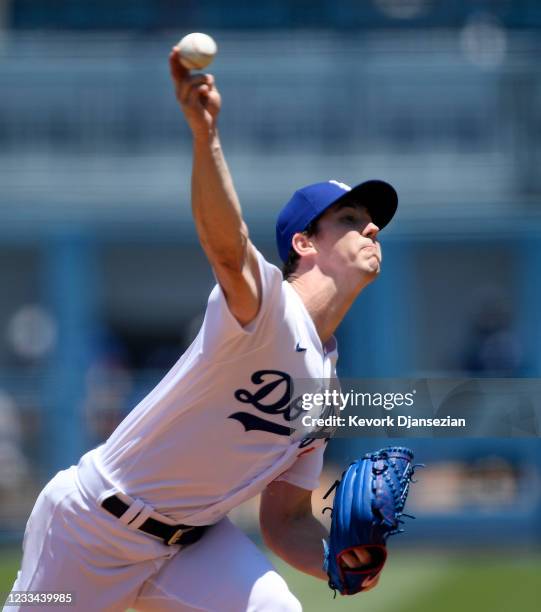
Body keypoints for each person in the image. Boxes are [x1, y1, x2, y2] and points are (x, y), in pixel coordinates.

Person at [5, 48, 398, 612]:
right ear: (304, 244)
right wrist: (205, 135)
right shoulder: (266, 307)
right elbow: (225, 243)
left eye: (372, 220)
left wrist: (340, 558)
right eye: (350, 219)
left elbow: (284, 521)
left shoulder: (327, 390)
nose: (372, 227)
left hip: (195, 546)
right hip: (91, 531)